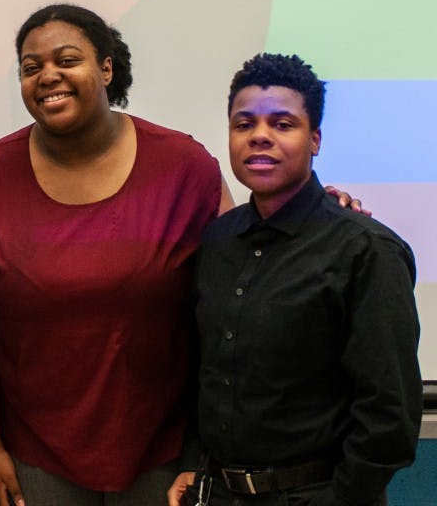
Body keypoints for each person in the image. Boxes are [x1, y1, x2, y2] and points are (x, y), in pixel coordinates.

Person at [0, 3, 235, 506]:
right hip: (36, 452)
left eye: (66, 60)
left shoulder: (185, 169)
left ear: (106, 68)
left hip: (163, 447)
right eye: (31, 68)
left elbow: (241, 287)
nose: (47, 76)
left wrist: (323, 211)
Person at [167, 53, 421, 506]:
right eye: (244, 125)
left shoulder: (365, 250)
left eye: (283, 124)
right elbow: (205, 371)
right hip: (217, 493)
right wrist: (194, 461)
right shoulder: (219, 240)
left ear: (315, 139)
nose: (260, 137)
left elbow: (390, 413)